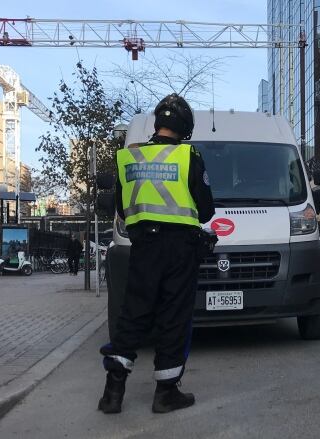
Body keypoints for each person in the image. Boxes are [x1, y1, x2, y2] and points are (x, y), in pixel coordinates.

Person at [98, 94, 215, 414]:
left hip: (143, 248)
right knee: (173, 317)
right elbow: (205, 210)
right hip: (179, 250)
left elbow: (122, 208)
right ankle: (165, 393)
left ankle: (112, 392)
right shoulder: (189, 156)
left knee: (133, 315)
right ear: (186, 127)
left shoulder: (129, 158)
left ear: (157, 124)